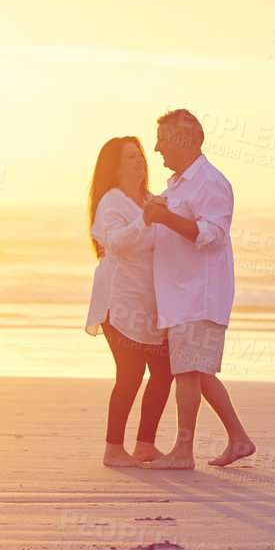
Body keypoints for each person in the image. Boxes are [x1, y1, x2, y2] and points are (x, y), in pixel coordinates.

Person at [140, 109, 255, 470]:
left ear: (183, 139)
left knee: (188, 373)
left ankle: (183, 453)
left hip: (198, 296)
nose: (156, 147)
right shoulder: (177, 185)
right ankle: (238, 439)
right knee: (199, 372)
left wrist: (164, 217)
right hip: (180, 297)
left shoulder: (209, 182)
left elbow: (212, 234)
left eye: (162, 138)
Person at [84, 136, 172, 467]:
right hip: (117, 301)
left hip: (150, 304)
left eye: (140, 155)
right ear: (116, 166)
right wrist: (146, 219)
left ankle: (145, 445)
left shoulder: (152, 199)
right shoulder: (112, 201)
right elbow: (117, 244)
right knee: (130, 373)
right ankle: (113, 449)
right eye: (131, 156)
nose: (139, 161)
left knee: (164, 373)